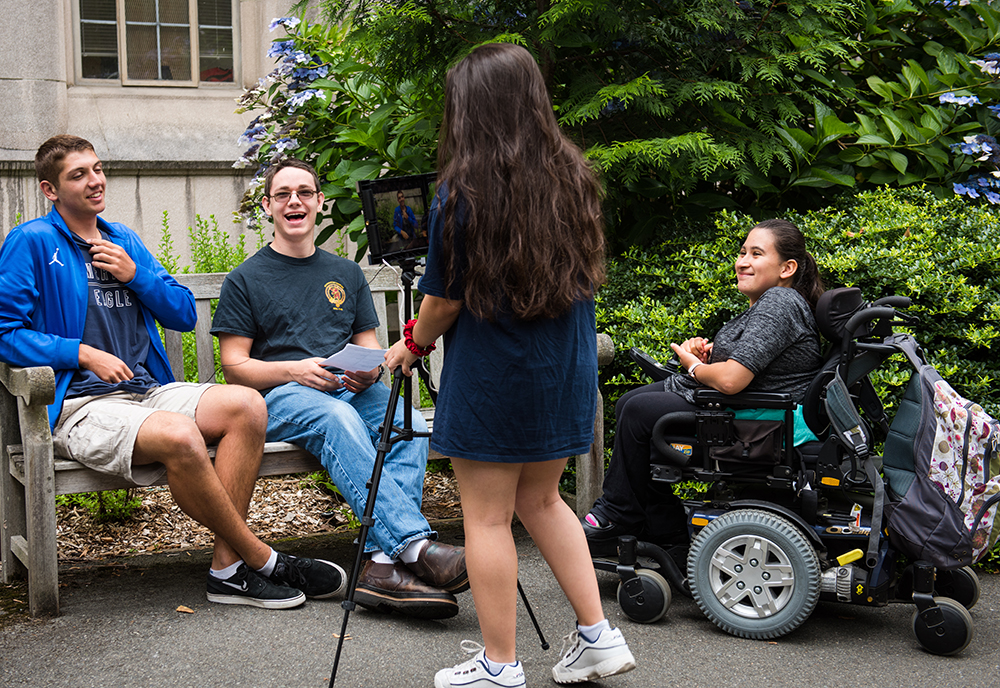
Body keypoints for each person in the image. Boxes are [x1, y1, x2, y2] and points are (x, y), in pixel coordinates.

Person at [0, 135, 345, 610]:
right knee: (182, 435)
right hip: (81, 404)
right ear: (50, 190)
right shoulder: (32, 242)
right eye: (78, 174)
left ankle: (227, 571)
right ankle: (261, 559)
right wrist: (80, 353)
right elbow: (5, 332)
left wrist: (134, 274)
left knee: (247, 404)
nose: (95, 180)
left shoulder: (124, 240)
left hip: (147, 392)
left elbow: (183, 314)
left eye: (97, 169)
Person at [385, 43, 636, 688]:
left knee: (488, 518)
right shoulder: (573, 177)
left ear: (472, 108)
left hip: (496, 375)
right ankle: (598, 636)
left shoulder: (461, 192)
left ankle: (500, 665)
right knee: (545, 499)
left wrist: (409, 345)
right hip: (564, 370)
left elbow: (444, 300)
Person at [211, 158, 467, 621]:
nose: (295, 201)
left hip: (345, 387)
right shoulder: (245, 279)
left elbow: (368, 350)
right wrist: (293, 371)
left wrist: (370, 372)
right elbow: (234, 368)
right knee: (338, 419)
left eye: (305, 192)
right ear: (267, 206)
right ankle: (413, 546)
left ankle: (383, 563)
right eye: (284, 194)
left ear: (319, 203)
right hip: (281, 397)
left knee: (406, 422)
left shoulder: (345, 273)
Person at [582, 219, 825, 555]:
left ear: (787, 267)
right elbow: (745, 364)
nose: (742, 262)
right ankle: (661, 527)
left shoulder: (780, 304)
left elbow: (731, 380)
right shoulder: (771, 303)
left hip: (754, 421)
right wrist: (708, 358)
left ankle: (619, 515)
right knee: (631, 403)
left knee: (638, 411)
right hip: (742, 407)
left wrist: (694, 367)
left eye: (756, 254)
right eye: (742, 252)